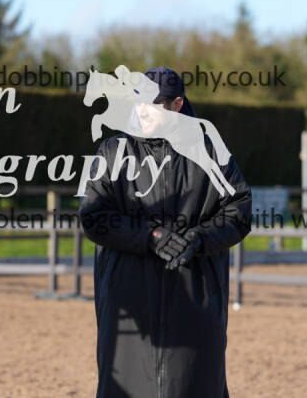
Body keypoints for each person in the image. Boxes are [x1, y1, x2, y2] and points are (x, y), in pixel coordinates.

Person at [79, 66, 252, 398]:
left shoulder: (211, 152)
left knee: (193, 383)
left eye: (152, 104)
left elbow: (238, 211)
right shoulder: (113, 151)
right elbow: (94, 216)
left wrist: (199, 239)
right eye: (138, 102)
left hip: (194, 298)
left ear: (176, 105)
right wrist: (150, 237)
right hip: (128, 296)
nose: (142, 111)